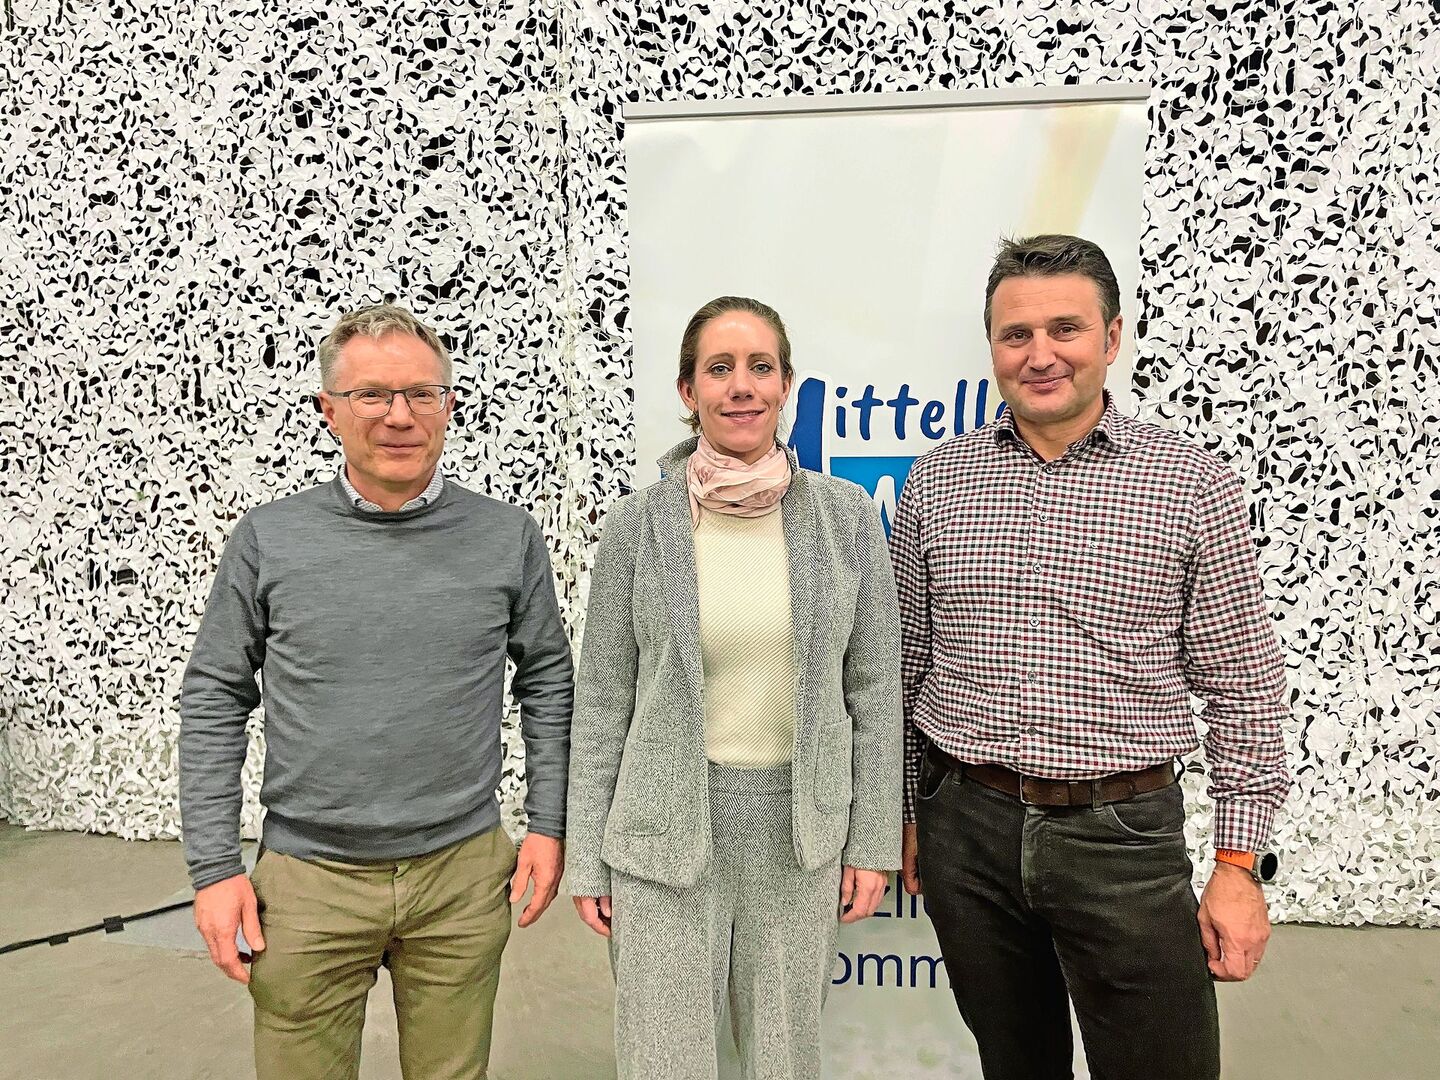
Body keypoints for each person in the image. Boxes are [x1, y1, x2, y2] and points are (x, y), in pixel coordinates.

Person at [890, 235, 1291, 1080]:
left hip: (1122, 839)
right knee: (1014, 1063)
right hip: (966, 831)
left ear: (1111, 338)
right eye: (1016, 334)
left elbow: (1245, 689)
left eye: (1065, 329)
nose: (1040, 355)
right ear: (992, 348)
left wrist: (1239, 867)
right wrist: (909, 813)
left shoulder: (1192, 486)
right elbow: (903, 667)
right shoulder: (937, 481)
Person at [178, 303, 574, 1080]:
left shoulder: (507, 537)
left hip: (462, 875)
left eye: (422, 393)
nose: (400, 415)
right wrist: (214, 868)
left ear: (449, 406)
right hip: (308, 882)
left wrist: (550, 823)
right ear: (329, 410)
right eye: (372, 395)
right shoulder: (268, 539)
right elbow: (215, 697)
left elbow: (549, 682)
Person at [565, 296, 902, 1079]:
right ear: (689, 391)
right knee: (663, 1062)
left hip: (799, 835)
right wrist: (586, 858)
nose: (741, 386)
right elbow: (604, 700)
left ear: (786, 385)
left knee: (784, 1062)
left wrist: (871, 843)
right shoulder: (637, 524)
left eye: (760, 367)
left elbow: (875, 692)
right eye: (719, 369)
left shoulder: (845, 518)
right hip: (660, 835)